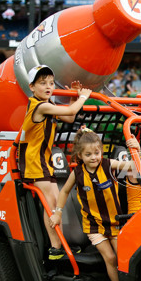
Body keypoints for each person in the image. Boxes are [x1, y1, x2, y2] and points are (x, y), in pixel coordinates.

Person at [50, 128, 140, 281]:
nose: (94, 158)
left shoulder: (108, 164)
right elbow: (63, 191)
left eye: (97, 153)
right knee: (110, 258)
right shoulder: (77, 173)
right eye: (88, 155)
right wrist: (58, 213)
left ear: (102, 152)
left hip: (115, 222)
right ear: (80, 156)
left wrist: (137, 151)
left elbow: (132, 166)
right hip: (94, 226)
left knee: (124, 257)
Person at [19, 65, 92, 260]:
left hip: (43, 161)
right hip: (35, 162)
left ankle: (60, 243)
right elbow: (71, 111)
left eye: (51, 83)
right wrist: (83, 97)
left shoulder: (47, 104)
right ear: (32, 87)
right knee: (51, 205)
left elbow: (70, 116)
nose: (48, 86)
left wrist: (73, 97)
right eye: (42, 83)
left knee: (56, 203)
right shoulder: (39, 106)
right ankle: (55, 247)